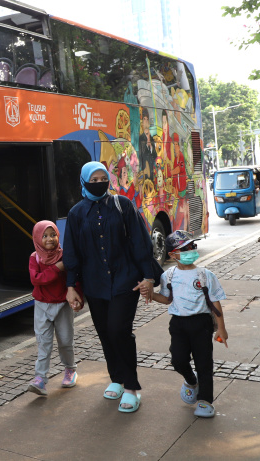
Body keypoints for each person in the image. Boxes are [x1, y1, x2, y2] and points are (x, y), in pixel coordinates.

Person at [63, 161, 155, 413]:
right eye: (93, 180)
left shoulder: (122, 205)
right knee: (104, 332)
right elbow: (72, 252)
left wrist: (148, 276)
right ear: (83, 182)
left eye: (103, 178)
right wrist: (71, 286)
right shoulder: (76, 213)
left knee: (118, 330)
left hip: (126, 280)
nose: (99, 183)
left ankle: (132, 387)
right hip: (95, 284)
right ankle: (116, 378)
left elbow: (139, 241)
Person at [146, 231, 228, 418]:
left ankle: (205, 401)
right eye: (184, 249)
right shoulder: (168, 276)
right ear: (172, 255)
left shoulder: (205, 275)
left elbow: (215, 302)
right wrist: (149, 294)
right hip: (178, 324)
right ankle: (191, 381)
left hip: (202, 323)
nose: (189, 251)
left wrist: (221, 328)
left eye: (192, 247)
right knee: (178, 360)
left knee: (204, 363)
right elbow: (166, 299)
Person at [27, 220, 80, 396]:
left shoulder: (65, 256)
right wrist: (57, 268)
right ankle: (40, 379)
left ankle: (70, 369)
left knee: (65, 341)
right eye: (45, 236)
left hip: (62, 306)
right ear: (36, 238)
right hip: (42, 306)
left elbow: (74, 277)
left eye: (53, 235)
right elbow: (37, 279)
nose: (50, 239)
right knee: (44, 343)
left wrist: (78, 297)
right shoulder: (34, 258)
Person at [138, 108, 156, 180]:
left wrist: (150, 144)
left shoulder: (151, 138)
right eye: (144, 119)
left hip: (152, 171)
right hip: (144, 171)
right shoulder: (141, 138)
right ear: (142, 122)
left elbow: (155, 155)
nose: (145, 121)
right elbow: (141, 155)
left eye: (147, 119)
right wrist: (147, 142)